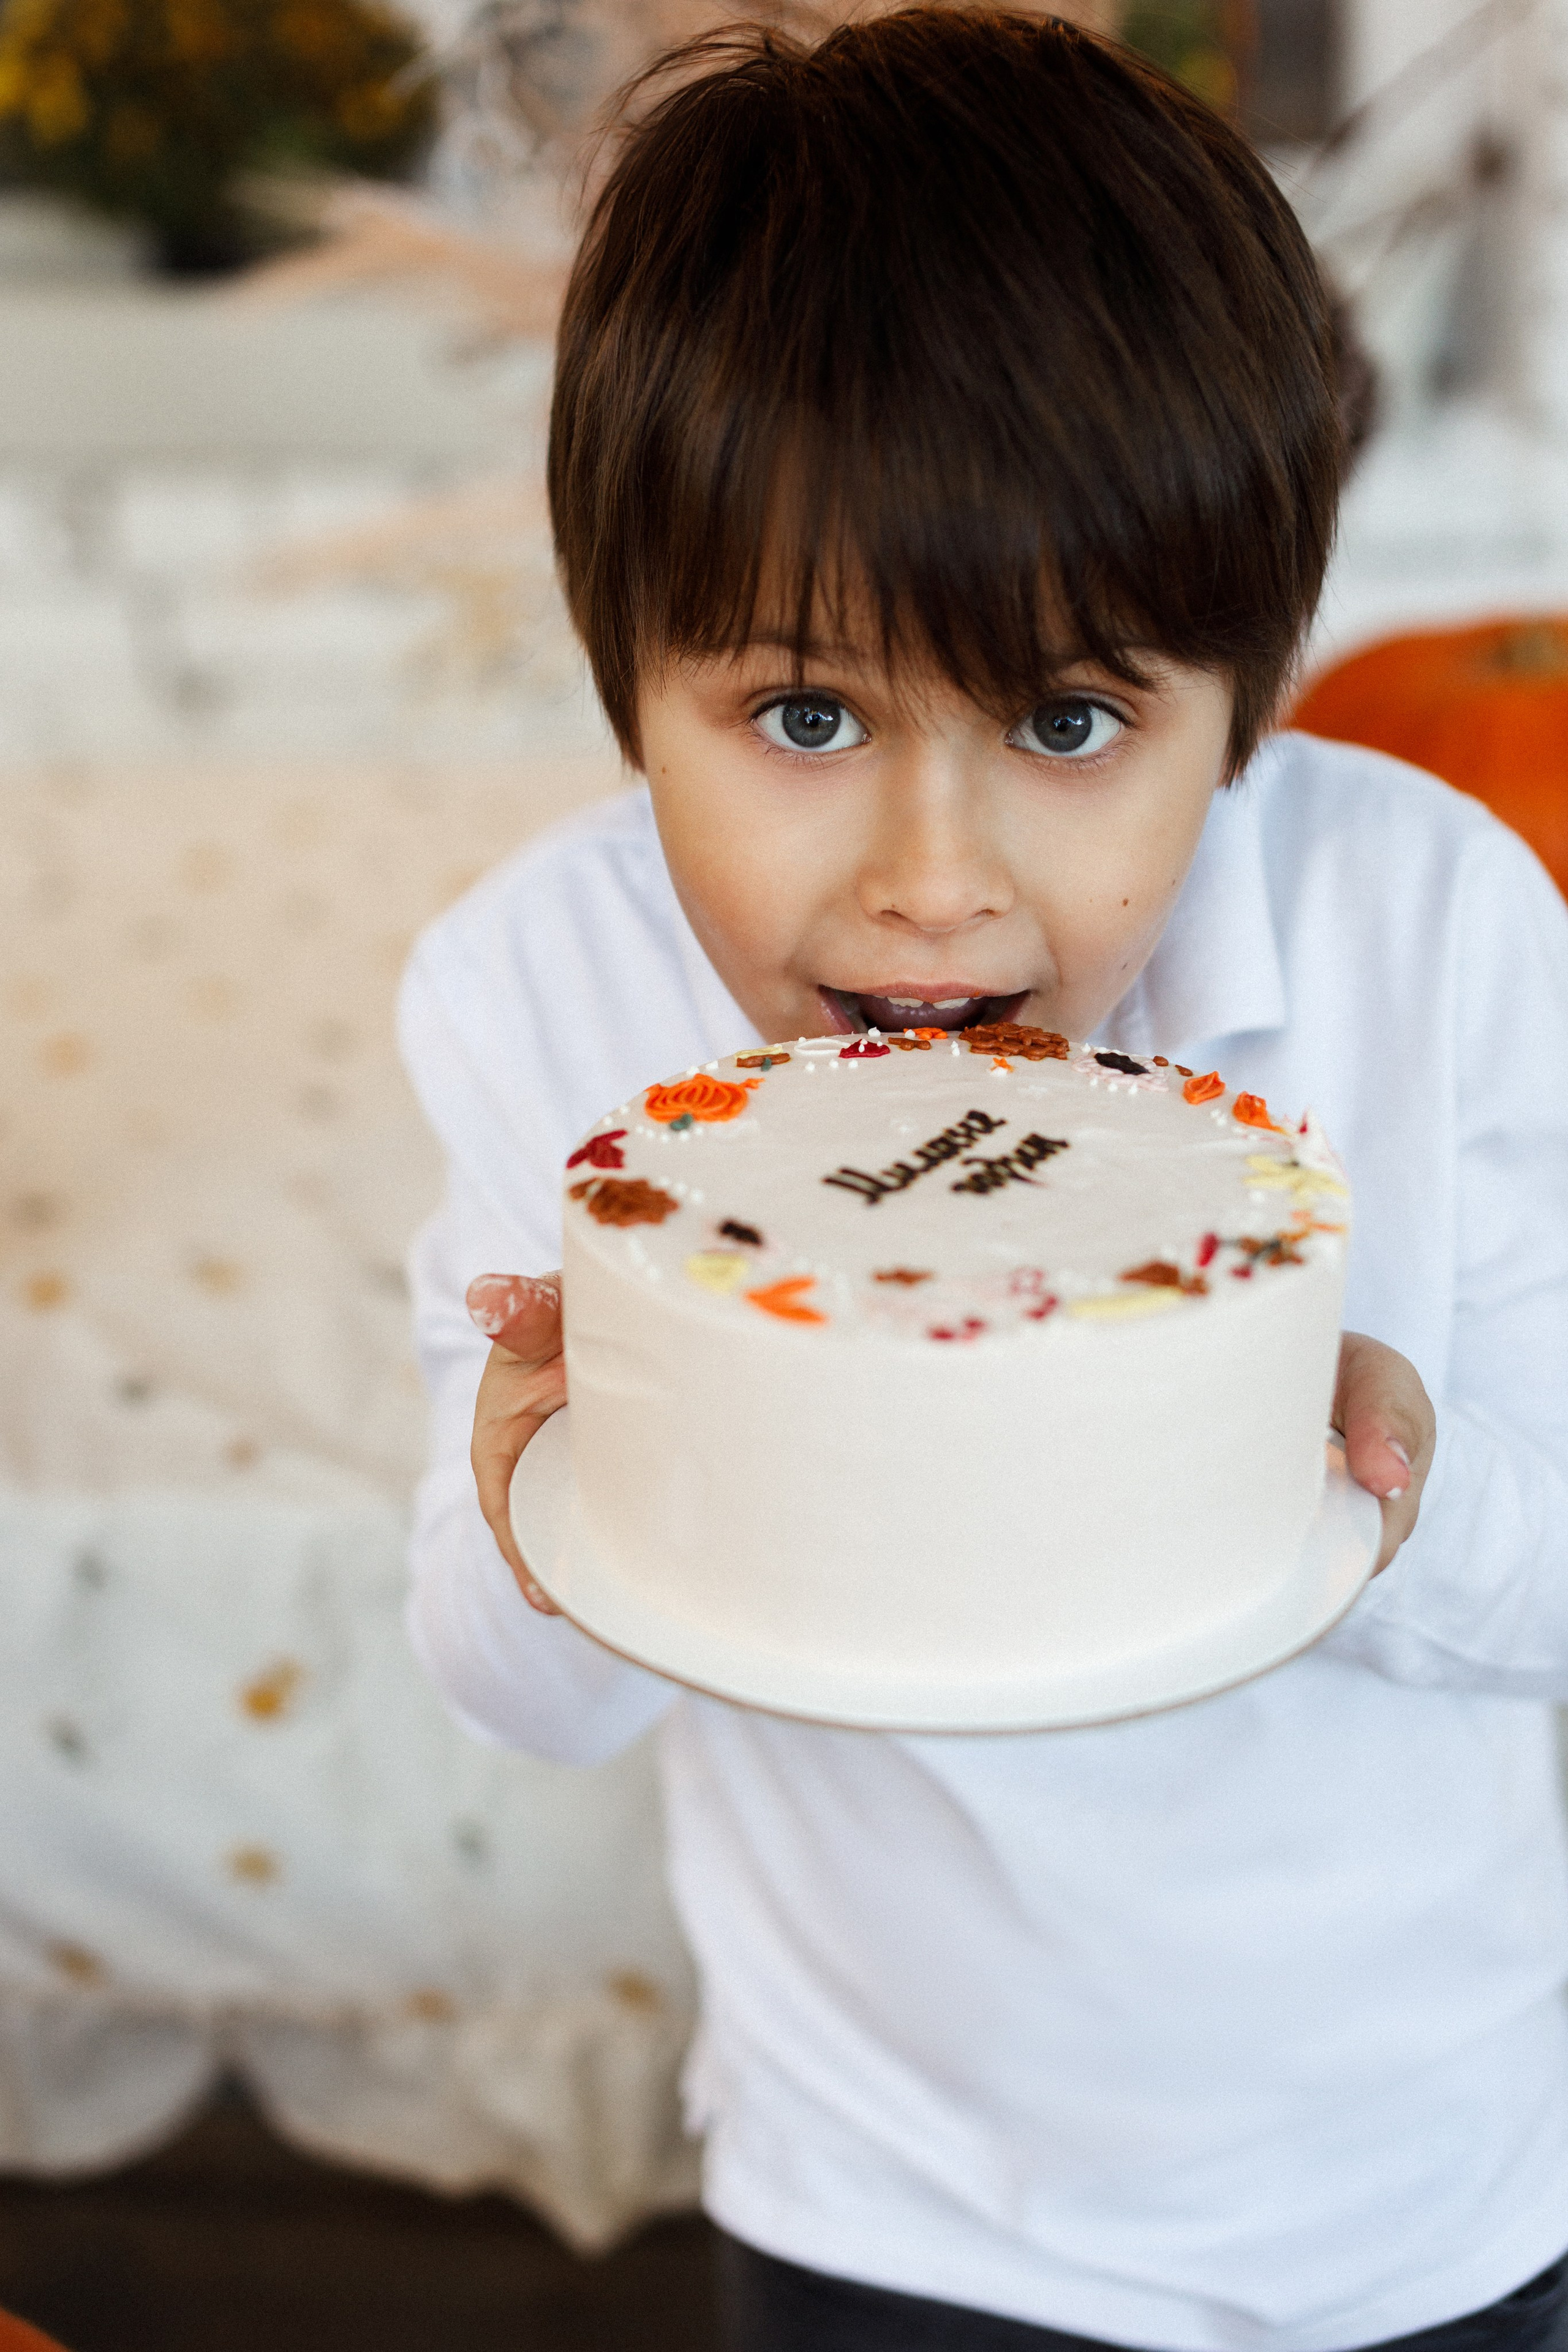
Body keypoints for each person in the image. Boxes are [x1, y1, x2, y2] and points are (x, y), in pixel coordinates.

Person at [398, 13, 1568, 2348]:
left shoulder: (1432, 925)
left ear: (1244, 701)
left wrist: (1370, 1463)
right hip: (884, 2206)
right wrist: (548, 1483)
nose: (934, 883)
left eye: (1069, 721)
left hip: (1416, 2191)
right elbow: (516, 1689)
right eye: (805, 716)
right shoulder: (544, 986)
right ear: (626, 686)